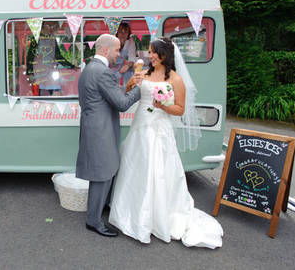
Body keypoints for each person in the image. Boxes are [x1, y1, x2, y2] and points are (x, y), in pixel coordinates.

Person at [108, 37, 223, 248]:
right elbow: (128, 94)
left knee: (159, 171)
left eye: (152, 52)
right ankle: (130, 214)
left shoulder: (176, 80)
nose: (149, 55)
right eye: (149, 52)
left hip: (160, 130)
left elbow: (180, 108)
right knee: (135, 168)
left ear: (164, 55)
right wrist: (129, 85)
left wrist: (163, 107)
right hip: (139, 128)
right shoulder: (144, 74)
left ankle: (158, 216)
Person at [76, 34, 143, 237]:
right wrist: (140, 89)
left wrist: (128, 85)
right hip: (101, 130)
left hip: (94, 127)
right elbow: (122, 104)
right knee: (102, 174)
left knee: (104, 170)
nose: (119, 54)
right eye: (116, 50)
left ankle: (101, 207)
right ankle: (93, 221)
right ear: (105, 50)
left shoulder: (90, 68)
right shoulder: (102, 72)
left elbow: (110, 94)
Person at [25, 21, 75, 96]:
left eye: (54, 27)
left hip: (51, 70)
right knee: (39, 92)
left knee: (55, 90)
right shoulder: (36, 38)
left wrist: (71, 66)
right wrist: (29, 72)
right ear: (43, 26)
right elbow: (30, 57)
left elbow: (58, 56)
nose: (51, 29)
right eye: (49, 26)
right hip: (38, 70)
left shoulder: (52, 38)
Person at [111, 22, 137, 90]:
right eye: (120, 32)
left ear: (128, 34)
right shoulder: (113, 41)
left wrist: (127, 65)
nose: (123, 34)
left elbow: (132, 59)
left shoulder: (131, 42)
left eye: (125, 32)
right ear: (117, 33)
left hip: (122, 68)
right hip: (111, 67)